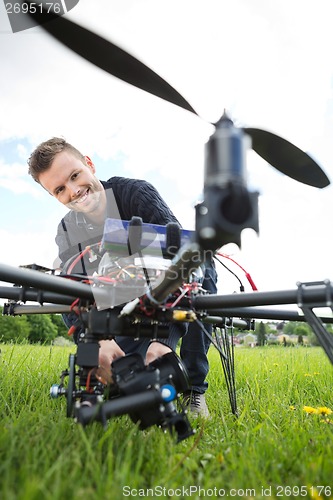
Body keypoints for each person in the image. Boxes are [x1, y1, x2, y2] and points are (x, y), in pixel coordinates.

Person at [27, 137, 215, 415]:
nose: (74, 191)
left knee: (206, 267)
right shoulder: (66, 230)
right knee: (61, 281)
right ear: (54, 196)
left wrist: (163, 342)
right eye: (60, 190)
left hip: (160, 290)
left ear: (89, 164)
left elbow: (180, 261)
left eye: (75, 176)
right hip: (113, 302)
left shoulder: (136, 194)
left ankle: (194, 390)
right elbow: (70, 293)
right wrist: (95, 339)